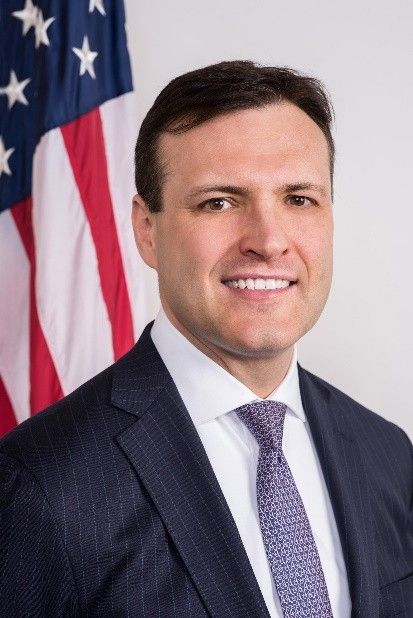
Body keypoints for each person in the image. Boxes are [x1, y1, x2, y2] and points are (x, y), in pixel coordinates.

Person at [0, 61, 412, 618]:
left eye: (299, 199)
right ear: (147, 229)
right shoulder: (43, 486)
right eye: (219, 201)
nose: (268, 241)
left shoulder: (388, 453)